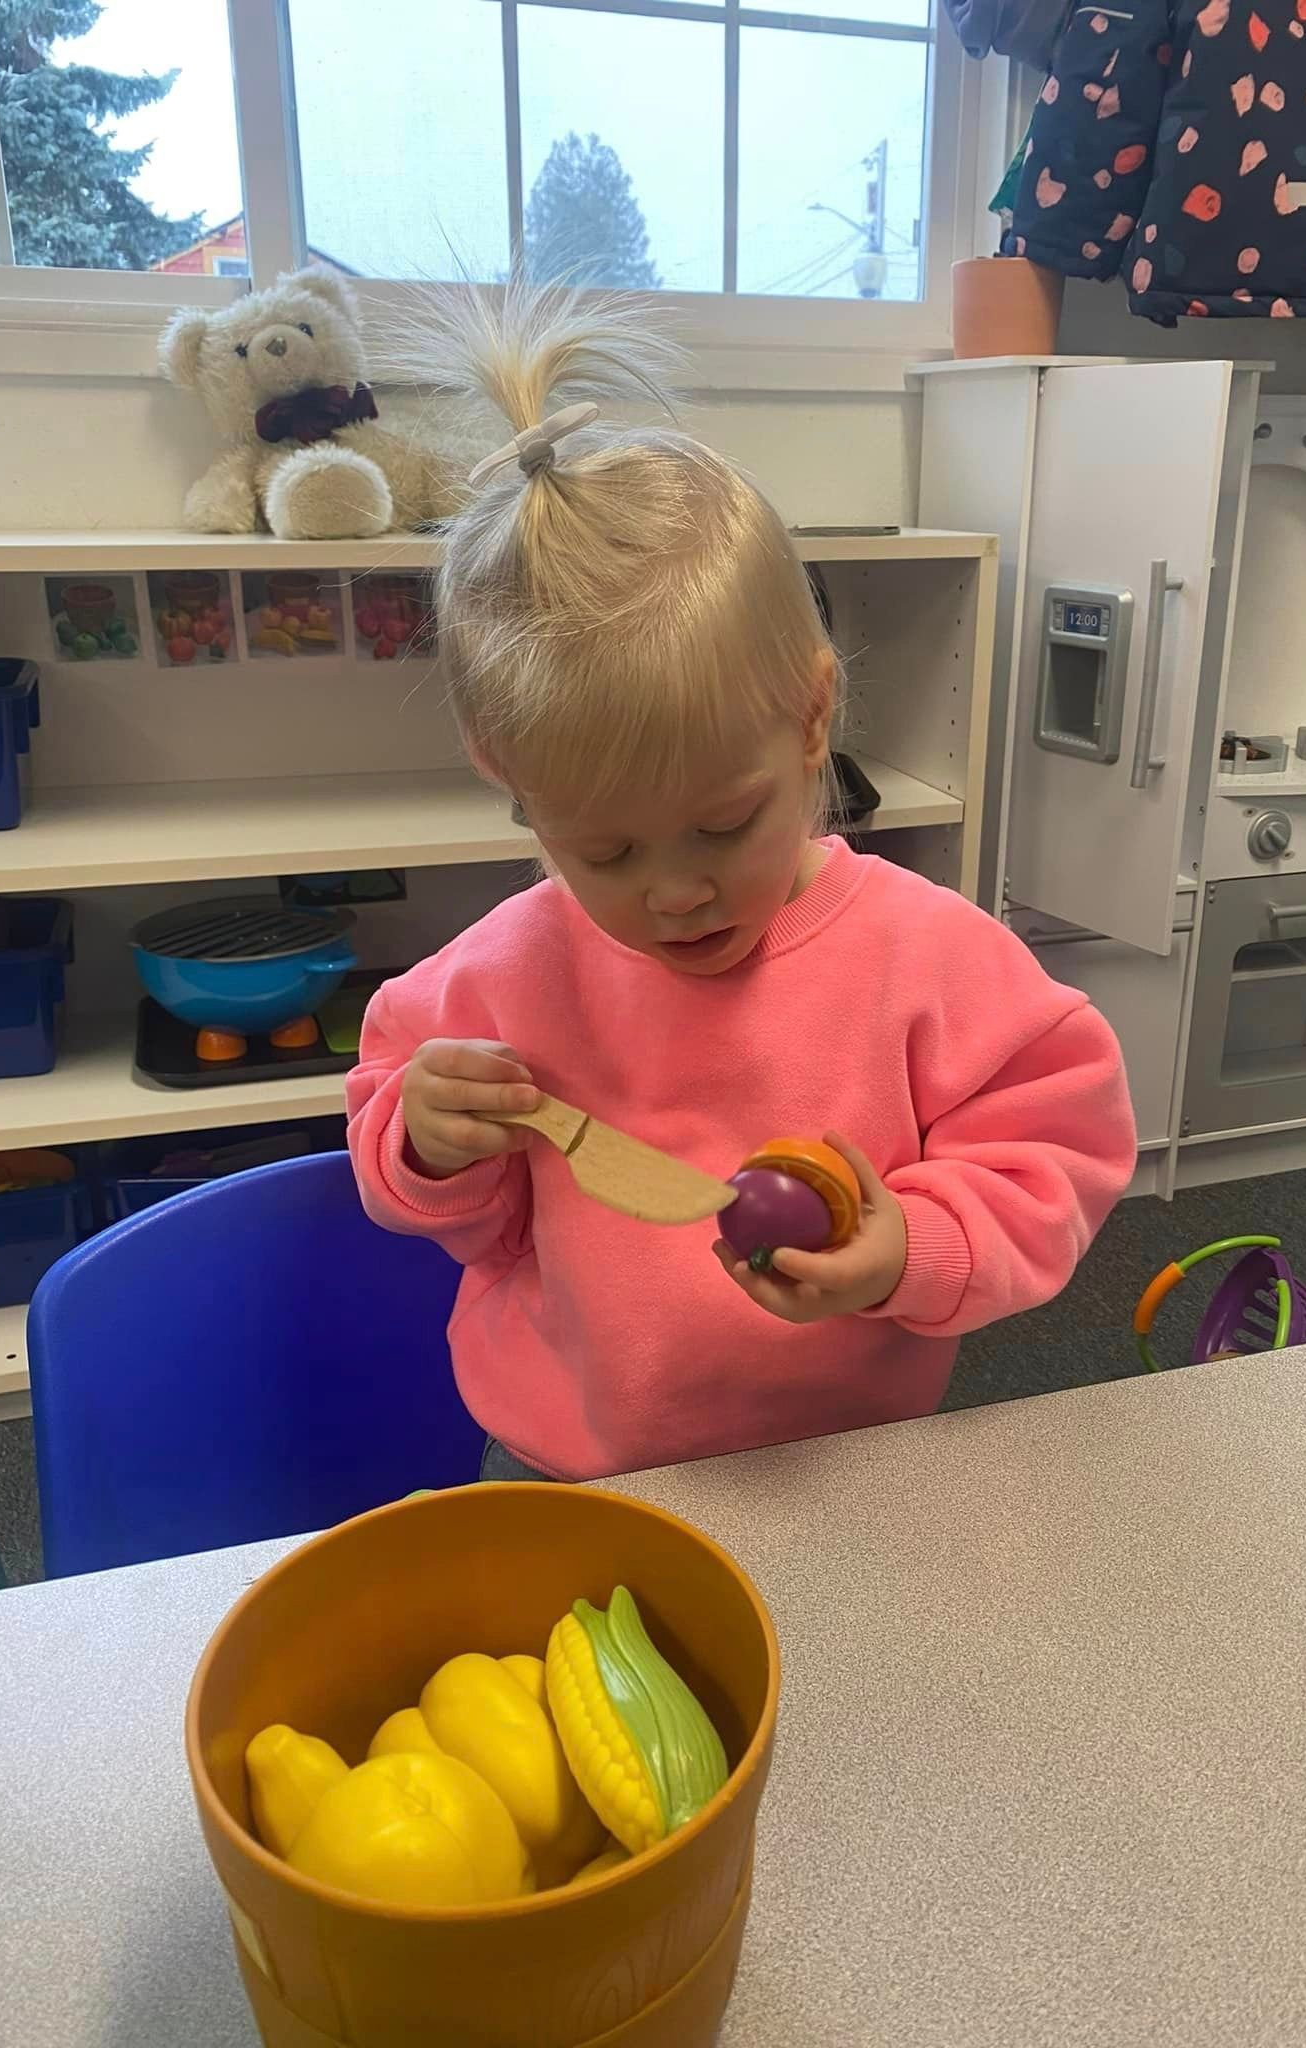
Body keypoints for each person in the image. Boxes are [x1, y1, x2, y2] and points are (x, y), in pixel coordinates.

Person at [347, 284, 1136, 1484]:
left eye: (724, 825)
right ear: (508, 782)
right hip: (567, 1464)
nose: (674, 893)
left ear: (813, 715)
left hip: (852, 1468)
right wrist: (428, 1143)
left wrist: (910, 1245)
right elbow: (462, 1216)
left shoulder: (928, 959)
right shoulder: (495, 981)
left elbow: (1057, 1154)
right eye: (605, 853)